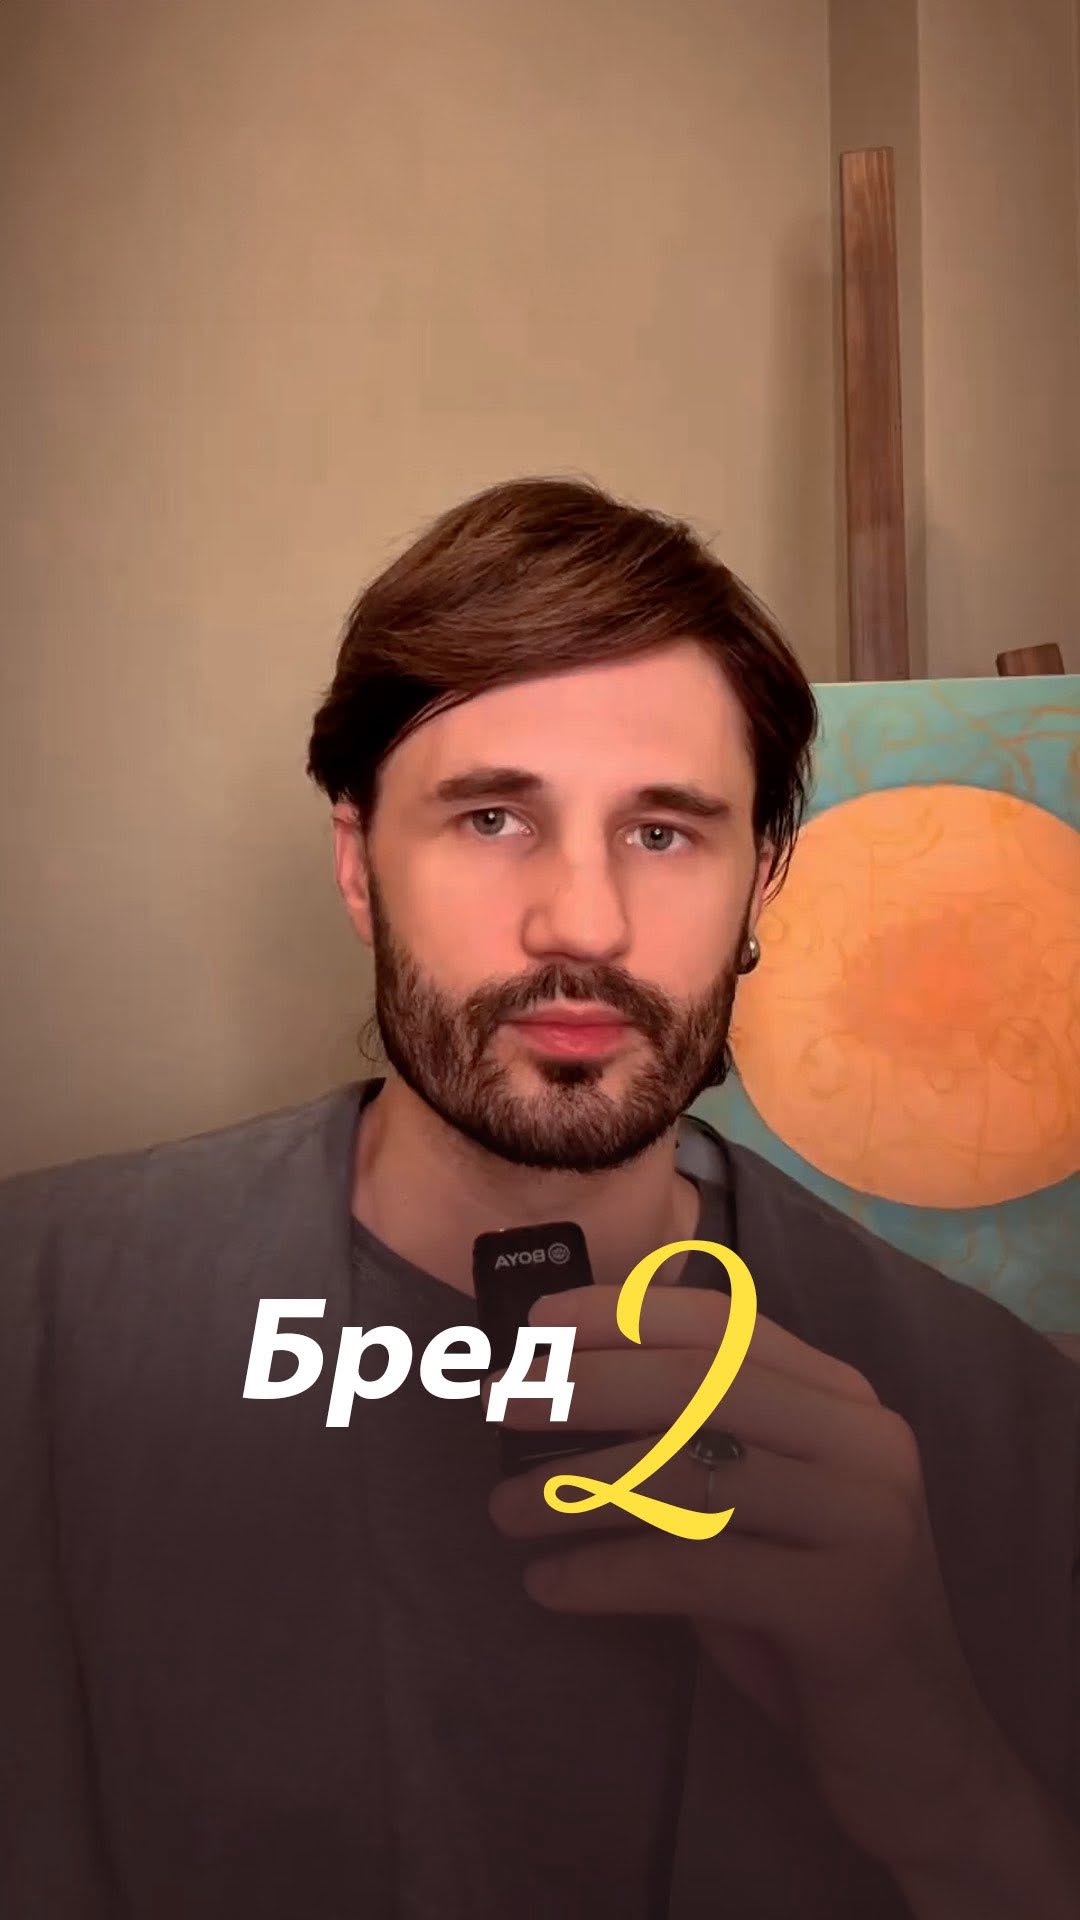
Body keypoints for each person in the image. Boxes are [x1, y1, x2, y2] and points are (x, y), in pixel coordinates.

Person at [2, 476, 1078, 1920]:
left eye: (664, 832)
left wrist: (946, 1789)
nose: (585, 922)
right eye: (495, 817)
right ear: (358, 867)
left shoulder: (1009, 1422)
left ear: (763, 884)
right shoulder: (40, 1325)